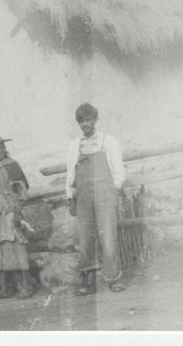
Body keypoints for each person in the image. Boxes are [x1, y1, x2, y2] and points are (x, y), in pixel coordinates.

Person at [66, 103, 126, 295]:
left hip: (105, 193)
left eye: (89, 119)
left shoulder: (108, 141)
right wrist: (70, 197)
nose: (86, 124)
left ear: (95, 120)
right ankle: (88, 283)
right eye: (82, 121)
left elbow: (118, 169)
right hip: (83, 196)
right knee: (85, 239)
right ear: (79, 124)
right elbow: (70, 173)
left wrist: (114, 190)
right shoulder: (74, 145)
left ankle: (113, 278)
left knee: (107, 235)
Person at [0, 133, 32, 299]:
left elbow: (21, 189)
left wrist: (17, 210)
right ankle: (5, 287)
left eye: (1, 147)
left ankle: (26, 285)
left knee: (17, 245)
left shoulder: (12, 165)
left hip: (10, 209)